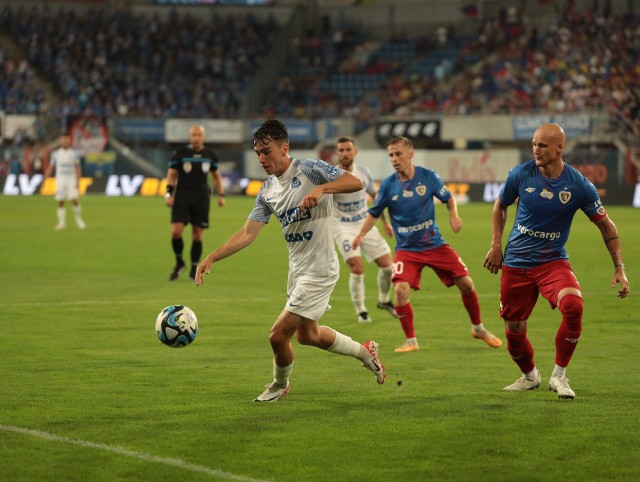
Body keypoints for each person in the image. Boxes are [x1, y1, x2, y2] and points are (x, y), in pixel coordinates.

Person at [195, 119, 386, 402]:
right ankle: (365, 352)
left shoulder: (309, 169)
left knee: (277, 335)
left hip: (320, 268)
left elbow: (355, 182)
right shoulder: (267, 191)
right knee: (307, 336)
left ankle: (279, 384)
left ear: (285, 149)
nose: (261, 158)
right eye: (258, 152)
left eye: (267, 151)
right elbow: (248, 233)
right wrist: (212, 256)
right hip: (297, 270)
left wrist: (322, 189)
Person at [483, 123, 630, 399]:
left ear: (560, 148)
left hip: (552, 262)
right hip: (515, 263)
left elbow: (607, 228)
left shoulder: (579, 186)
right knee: (514, 332)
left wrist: (619, 268)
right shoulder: (520, 174)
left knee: (574, 305)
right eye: (534, 144)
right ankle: (529, 376)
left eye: (542, 145)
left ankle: (559, 376)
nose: (536, 150)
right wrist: (495, 245)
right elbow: (500, 204)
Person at [352, 136, 502, 352]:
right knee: (400, 290)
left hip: (434, 245)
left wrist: (454, 216)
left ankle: (478, 328)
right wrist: (360, 235)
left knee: (467, 283)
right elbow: (374, 213)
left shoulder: (428, 177)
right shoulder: (387, 186)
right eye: (391, 155)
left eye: (398, 154)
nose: (394, 159)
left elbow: (448, 198)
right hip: (407, 250)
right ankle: (411, 341)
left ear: (410, 154)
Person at [332, 136, 396, 323]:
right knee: (357, 267)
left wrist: (384, 222)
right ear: (337, 153)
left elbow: (376, 199)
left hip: (365, 224)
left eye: (348, 150)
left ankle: (384, 300)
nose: (345, 153)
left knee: (389, 267)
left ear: (355, 152)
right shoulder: (331, 175)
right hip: (342, 226)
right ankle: (361, 310)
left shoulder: (364, 173)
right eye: (341, 150)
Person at [165, 124, 225, 282]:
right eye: (193, 135)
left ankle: (193, 267)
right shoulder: (180, 153)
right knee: (176, 231)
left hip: (201, 198)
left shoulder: (209, 154)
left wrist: (221, 195)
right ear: (189, 137)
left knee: (197, 234)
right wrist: (168, 194)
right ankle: (179, 263)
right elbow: (171, 175)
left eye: (199, 135)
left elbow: (217, 176)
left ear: (203, 137)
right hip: (182, 196)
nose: (196, 138)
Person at [44, 133, 86, 231]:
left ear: (69, 141)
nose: (65, 142)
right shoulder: (55, 154)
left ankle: (78, 219)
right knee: (60, 201)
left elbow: (77, 167)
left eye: (66, 140)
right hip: (60, 180)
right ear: (60, 141)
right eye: (63, 140)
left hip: (71, 180)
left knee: (74, 200)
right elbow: (51, 166)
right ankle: (62, 223)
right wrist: (45, 177)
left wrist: (78, 180)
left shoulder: (74, 154)